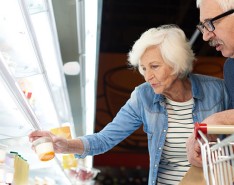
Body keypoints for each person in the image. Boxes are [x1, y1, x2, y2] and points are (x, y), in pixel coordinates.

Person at [29, 24, 231, 185]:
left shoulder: (218, 90)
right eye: (143, 68)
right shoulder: (142, 97)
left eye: (154, 66)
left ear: (176, 64)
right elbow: (105, 139)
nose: (147, 76)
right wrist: (66, 145)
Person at [186, 0, 234, 167]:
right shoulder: (231, 68)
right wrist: (212, 145)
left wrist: (217, 121)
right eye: (203, 26)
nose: (205, 36)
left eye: (210, 23)